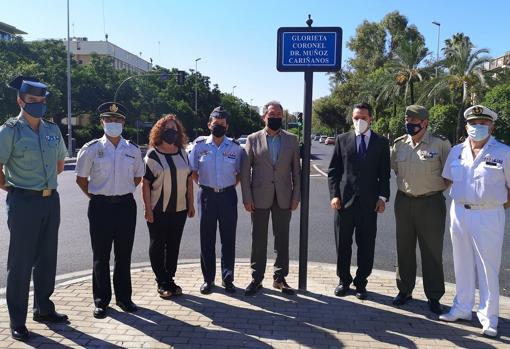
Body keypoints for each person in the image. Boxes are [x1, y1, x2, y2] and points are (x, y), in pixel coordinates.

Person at [0, 76, 69, 341]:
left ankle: (44, 309)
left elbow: (60, 164)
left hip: (51, 199)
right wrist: (15, 189)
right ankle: (18, 321)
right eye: (32, 101)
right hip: (24, 201)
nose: (38, 105)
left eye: (41, 101)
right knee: (20, 263)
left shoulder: (52, 129)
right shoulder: (9, 131)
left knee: (46, 258)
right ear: (20, 101)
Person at [439, 105, 510, 337]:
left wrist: (495, 204)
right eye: (473, 123)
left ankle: (489, 318)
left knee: (487, 267)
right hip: (459, 211)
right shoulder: (457, 151)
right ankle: (461, 308)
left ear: (492, 126)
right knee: (461, 262)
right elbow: (447, 180)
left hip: (488, 214)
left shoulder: (504, 152)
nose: (477, 127)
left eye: (483, 123)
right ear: (466, 126)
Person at [75, 102, 144, 319]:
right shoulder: (92, 149)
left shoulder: (132, 149)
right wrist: (96, 197)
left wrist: (120, 193)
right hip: (100, 208)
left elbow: (137, 177)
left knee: (124, 255)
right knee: (101, 256)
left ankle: (124, 298)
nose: (113, 123)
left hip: (125, 206)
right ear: (101, 122)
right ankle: (101, 301)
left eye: (118, 120)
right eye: (109, 120)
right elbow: (81, 179)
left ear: (124, 123)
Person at [390, 105, 451, 314]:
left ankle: (434, 296)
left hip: (431, 203)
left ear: (425, 122)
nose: (410, 124)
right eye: (407, 120)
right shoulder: (399, 145)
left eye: (414, 121)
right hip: (404, 201)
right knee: (404, 248)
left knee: (432, 251)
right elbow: (395, 169)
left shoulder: (440, 143)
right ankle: (404, 290)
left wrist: (432, 189)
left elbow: (449, 173)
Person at [327, 102, 390, 300]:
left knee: (366, 245)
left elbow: (384, 174)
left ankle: (361, 283)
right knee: (343, 245)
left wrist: (382, 198)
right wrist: (334, 195)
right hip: (344, 203)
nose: (359, 121)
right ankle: (343, 281)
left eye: (363, 117)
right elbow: (333, 171)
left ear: (371, 119)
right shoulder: (342, 139)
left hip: (369, 205)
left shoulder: (381, 143)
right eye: (356, 117)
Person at [241, 100, 301, 296]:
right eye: (271, 115)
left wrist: (296, 196)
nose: (275, 118)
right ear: (264, 117)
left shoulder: (292, 140)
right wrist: (247, 198)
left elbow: (296, 172)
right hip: (259, 196)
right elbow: (245, 171)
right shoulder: (252, 139)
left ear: (282, 117)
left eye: (278, 115)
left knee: (282, 239)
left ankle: (280, 278)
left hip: (284, 196)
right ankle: (256, 278)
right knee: (258, 239)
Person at [189, 106, 244, 294]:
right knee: (207, 239)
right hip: (206, 196)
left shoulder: (236, 147)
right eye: (215, 124)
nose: (218, 126)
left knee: (228, 239)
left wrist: (226, 187)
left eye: (222, 124)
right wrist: (207, 186)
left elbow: (239, 174)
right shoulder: (199, 146)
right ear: (209, 125)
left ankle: (228, 278)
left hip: (228, 195)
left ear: (227, 126)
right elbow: (193, 172)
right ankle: (208, 279)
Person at [142, 114, 195, 299]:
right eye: (167, 129)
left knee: (173, 246)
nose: (171, 132)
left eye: (174, 129)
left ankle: (170, 278)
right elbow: (146, 183)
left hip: (179, 209)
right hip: (158, 209)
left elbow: (189, 179)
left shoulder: (182, 153)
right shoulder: (152, 155)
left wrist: (191, 203)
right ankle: (161, 281)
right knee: (158, 245)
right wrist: (147, 209)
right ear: (160, 131)